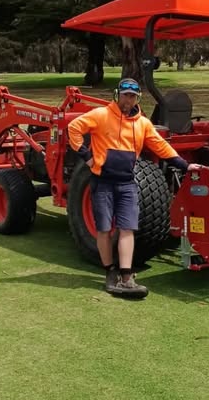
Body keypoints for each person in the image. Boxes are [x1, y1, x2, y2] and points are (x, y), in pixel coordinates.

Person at [67, 77, 190, 299]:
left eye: (132, 96)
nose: (128, 100)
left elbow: (160, 146)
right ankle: (110, 272)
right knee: (104, 229)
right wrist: (87, 157)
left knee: (127, 228)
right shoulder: (101, 115)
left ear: (137, 99)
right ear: (118, 95)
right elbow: (74, 128)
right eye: (125, 95)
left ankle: (126, 276)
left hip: (126, 184)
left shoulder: (142, 124)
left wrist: (185, 165)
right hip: (102, 183)